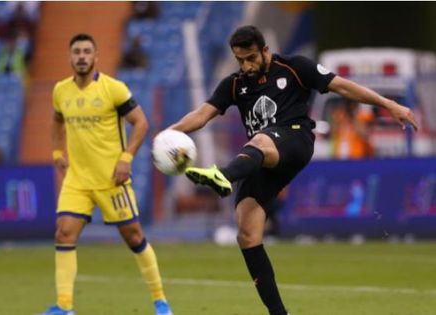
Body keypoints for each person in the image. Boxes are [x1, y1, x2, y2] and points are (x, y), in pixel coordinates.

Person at [168, 25, 418, 315]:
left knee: (260, 139)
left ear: (265, 50)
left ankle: (223, 174)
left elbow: (344, 86)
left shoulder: (295, 67)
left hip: (295, 140)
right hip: (259, 159)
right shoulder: (234, 85)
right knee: (247, 233)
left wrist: (389, 104)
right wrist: (169, 133)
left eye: (251, 58)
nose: (246, 66)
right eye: (240, 60)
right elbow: (202, 114)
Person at [40, 33, 172, 315]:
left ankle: (160, 301)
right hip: (77, 180)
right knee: (64, 234)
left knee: (134, 237)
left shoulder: (114, 89)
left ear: (96, 57)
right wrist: (56, 153)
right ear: (70, 57)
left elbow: (141, 123)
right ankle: (64, 306)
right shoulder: (60, 91)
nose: (82, 56)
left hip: (112, 179)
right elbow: (56, 120)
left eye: (87, 51)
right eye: (77, 51)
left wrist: (126, 159)